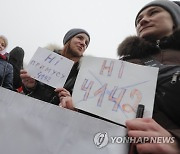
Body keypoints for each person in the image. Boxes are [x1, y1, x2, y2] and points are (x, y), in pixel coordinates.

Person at [116, 0, 180, 153]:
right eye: (138, 20)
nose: (143, 20)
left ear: (175, 20)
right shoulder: (120, 66)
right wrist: (77, 108)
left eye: (154, 12)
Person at [20, 28, 90, 105]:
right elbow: (29, 90)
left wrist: (72, 101)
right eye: (80, 38)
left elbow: (84, 103)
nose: (83, 43)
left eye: (86, 43)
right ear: (68, 39)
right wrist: (30, 86)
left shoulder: (84, 73)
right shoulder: (45, 58)